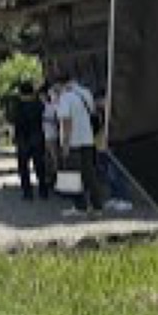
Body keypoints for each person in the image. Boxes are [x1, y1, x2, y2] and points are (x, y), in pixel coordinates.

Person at [57, 72, 102, 217]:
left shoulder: (65, 97)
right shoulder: (86, 93)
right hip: (88, 139)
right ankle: (97, 206)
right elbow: (93, 111)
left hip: (73, 142)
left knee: (73, 175)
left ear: (60, 84)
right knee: (90, 174)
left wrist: (65, 144)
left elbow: (66, 121)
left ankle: (80, 206)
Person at [95, 91, 133, 213]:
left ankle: (125, 199)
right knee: (110, 174)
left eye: (102, 100)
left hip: (117, 144)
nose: (99, 103)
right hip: (106, 144)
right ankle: (115, 197)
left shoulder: (120, 111)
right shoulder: (105, 113)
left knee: (118, 173)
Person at [13, 81, 49, 200]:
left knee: (24, 167)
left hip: (23, 139)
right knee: (40, 165)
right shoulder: (39, 105)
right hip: (38, 136)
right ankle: (43, 190)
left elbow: (15, 122)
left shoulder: (18, 106)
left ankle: (27, 192)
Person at [40, 83, 60, 192]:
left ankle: (57, 178)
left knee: (54, 157)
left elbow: (57, 119)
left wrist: (46, 119)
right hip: (46, 134)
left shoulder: (52, 106)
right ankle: (51, 178)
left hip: (51, 134)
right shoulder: (45, 105)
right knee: (48, 158)